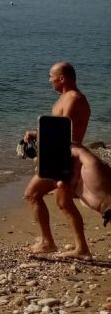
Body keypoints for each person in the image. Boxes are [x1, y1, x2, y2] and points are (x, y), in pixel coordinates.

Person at [23, 62, 95, 258]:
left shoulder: (73, 99)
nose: (50, 80)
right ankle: (81, 248)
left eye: (51, 76)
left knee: (32, 194)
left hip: (63, 158)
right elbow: (58, 129)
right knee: (64, 203)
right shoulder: (68, 97)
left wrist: (36, 135)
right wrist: (36, 134)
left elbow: (62, 132)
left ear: (62, 78)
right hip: (61, 157)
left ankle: (49, 243)